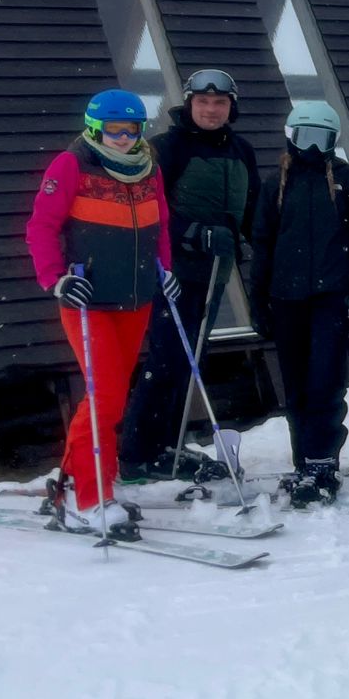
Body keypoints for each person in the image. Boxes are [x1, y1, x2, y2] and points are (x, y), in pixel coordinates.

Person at [24, 89, 179, 535]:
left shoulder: (148, 169)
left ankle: (81, 485)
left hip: (135, 299)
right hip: (87, 299)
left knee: (109, 397)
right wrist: (56, 278)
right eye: (114, 130)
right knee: (106, 395)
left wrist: (164, 270)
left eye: (133, 129)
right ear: (95, 128)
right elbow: (41, 226)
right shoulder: (71, 165)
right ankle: (87, 501)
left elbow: (160, 225)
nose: (124, 138)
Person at [118, 68, 261, 482]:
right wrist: (194, 233)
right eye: (203, 102)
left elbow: (251, 208)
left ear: (231, 106)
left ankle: (167, 445)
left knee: (188, 360)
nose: (211, 110)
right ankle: (136, 453)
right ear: (189, 104)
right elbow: (145, 211)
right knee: (166, 359)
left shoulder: (241, 150)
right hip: (171, 271)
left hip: (215, 271)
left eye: (219, 103)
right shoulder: (166, 148)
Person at [248, 102, 349, 505]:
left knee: (325, 379)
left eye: (322, 139)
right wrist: (258, 300)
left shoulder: (346, 180)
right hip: (286, 298)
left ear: (333, 142)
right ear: (291, 136)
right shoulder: (276, 183)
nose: (313, 148)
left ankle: (323, 459)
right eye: (306, 137)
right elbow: (263, 245)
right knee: (297, 383)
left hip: (329, 296)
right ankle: (304, 459)